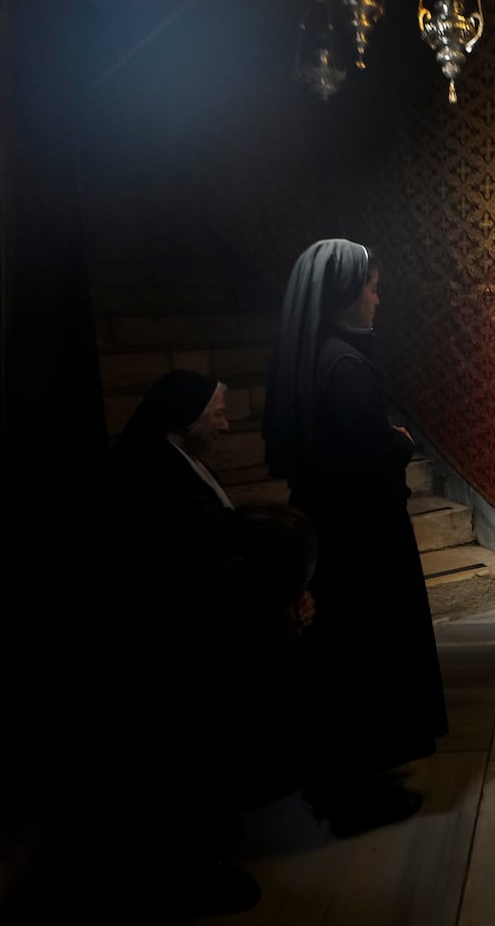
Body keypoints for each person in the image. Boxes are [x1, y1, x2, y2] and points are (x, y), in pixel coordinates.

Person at [86, 369, 317, 919]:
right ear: (185, 417)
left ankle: (207, 841)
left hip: (195, 640)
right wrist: (277, 608)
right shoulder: (155, 479)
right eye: (217, 411)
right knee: (186, 765)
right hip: (175, 655)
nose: (226, 419)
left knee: (204, 767)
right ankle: (194, 874)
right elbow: (198, 574)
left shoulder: (172, 459)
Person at [263, 237, 449, 838]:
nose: (377, 296)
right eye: (370, 285)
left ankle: (351, 775)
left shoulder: (320, 353)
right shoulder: (342, 364)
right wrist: (400, 440)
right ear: (344, 293)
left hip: (339, 532)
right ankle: (352, 795)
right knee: (363, 659)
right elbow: (372, 451)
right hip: (359, 543)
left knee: (349, 661)